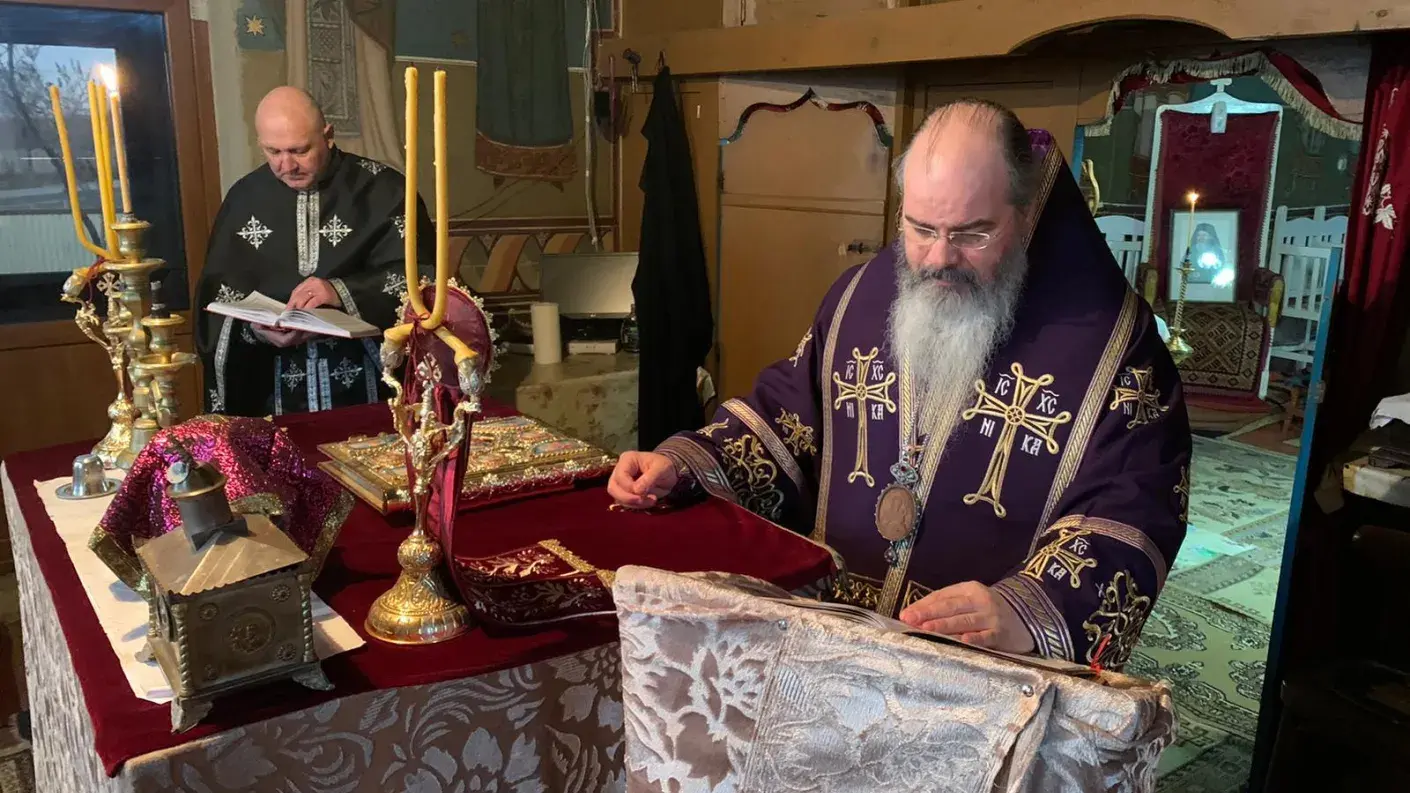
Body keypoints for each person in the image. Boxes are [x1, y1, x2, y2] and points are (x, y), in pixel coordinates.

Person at [607, 100, 1191, 669]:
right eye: (921, 228)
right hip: (830, 641)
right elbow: (788, 422)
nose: (939, 258)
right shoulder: (857, 298)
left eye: (973, 233)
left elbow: (1135, 505)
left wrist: (1029, 609)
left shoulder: (1113, 347)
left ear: (1023, 211)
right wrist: (687, 464)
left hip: (978, 673)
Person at [195, 86, 433, 416]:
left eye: (299, 150)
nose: (286, 165)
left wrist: (340, 291)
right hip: (274, 395)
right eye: (273, 151)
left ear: (328, 136)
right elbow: (216, 302)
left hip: (371, 390)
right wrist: (254, 331)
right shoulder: (244, 199)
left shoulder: (385, 191)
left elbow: (424, 280)